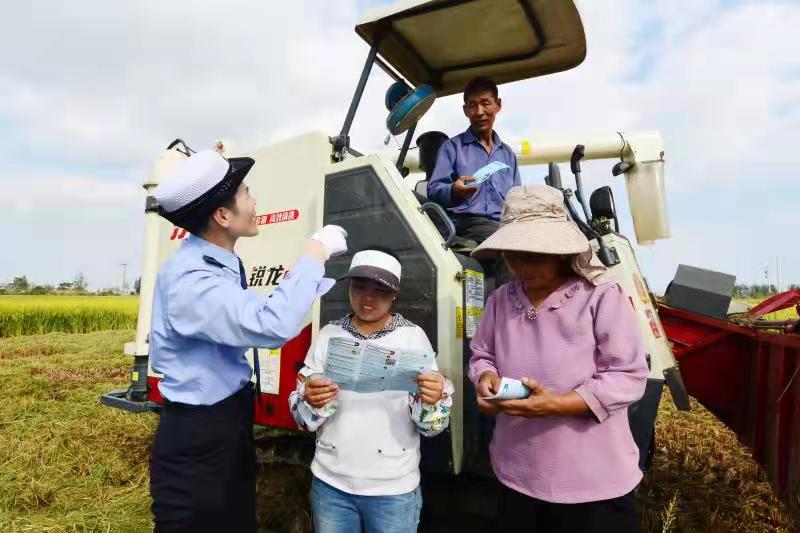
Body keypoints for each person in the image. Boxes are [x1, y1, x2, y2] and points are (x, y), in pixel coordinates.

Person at [148, 149, 348, 532]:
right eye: (246, 194)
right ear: (222, 216)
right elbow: (270, 324)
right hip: (198, 440)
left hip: (226, 423)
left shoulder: (215, 263)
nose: (255, 202)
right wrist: (314, 254)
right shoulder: (193, 280)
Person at [467, 185, 648, 533]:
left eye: (535, 255)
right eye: (514, 255)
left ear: (562, 252)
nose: (523, 266)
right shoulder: (501, 301)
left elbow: (627, 374)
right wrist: (485, 378)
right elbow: (482, 354)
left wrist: (558, 404)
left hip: (592, 486)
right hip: (517, 475)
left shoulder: (600, 296)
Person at [289, 248, 455, 533]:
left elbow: (433, 426)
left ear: (394, 295)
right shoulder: (329, 334)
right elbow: (302, 416)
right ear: (348, 287)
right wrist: (309, 399)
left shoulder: (412, 337)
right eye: (360, 286)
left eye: (381, 290)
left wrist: (434, 399)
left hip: (393, 491)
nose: (368, 297)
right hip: (330, 485)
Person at [427, 76, 521, 248]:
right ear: (465, 110)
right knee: (509, 243)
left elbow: (517, 200)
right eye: (472, 105)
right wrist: (453, 190)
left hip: (504, 227)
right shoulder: (452, 148)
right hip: (464, 224)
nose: (479, 112)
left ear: (498, 105)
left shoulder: (508, 155)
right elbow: (433, 190)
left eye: (485, 103)